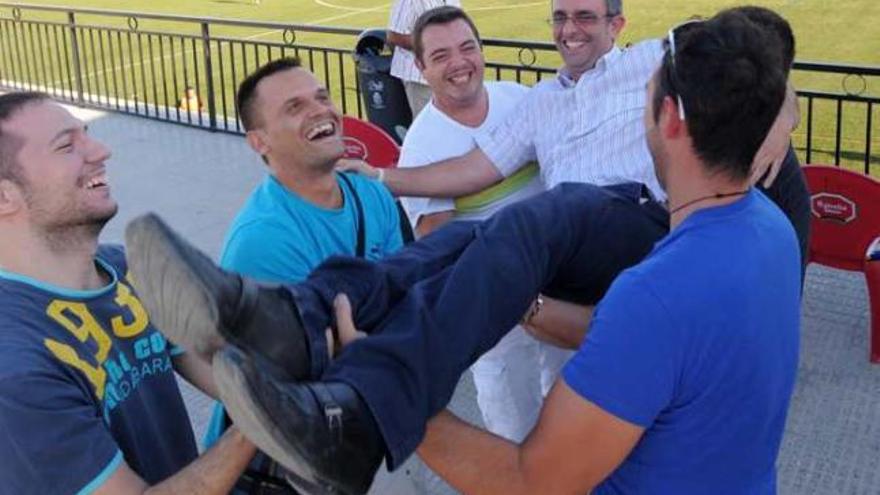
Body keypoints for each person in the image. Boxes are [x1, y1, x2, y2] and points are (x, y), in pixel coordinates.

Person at [123, 7, 803, 494]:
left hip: (607, 283)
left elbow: (532, 479)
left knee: (519, 233)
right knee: (509, 225)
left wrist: (377, 379)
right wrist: (778, 110)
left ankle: (357, 412)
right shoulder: (768, 230)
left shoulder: (654, 297)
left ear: (670, 119)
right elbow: (764, 42)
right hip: (623, 230)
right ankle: (298, 319)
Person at [350, 0, 810, 276]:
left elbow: (759, 41)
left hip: (657, 228)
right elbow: (473, 169)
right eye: (560, 17)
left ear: (616, 25)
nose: (570, 30)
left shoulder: (654, 61)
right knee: (530, 224)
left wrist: (781, 109)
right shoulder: (539, 102)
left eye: (585, 17)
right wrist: (379, 175)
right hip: (587, 248)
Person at [0, 92, 256, 494]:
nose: (102, 150)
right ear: (4, 196)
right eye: (67, 145)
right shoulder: (13, 364)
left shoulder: (124, 268)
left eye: (87, 135)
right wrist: (261, 427)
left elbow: (227, 373)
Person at [202, 57, 404, 493]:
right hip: (277, 457)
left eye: (322, 97)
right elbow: (293, 377)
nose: (320, 110)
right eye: (294, 107)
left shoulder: (372, 195)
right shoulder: (263, 241)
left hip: (341, 431)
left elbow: (400, 294)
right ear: (259, 141)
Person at [398, 6, 555, 442]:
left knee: (571, 422)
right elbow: (441, 248)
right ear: (420, 67)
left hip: (562, 295)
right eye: (442, 55)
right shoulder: (422, 149)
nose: (459, 63)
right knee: (515, 439)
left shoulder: (519, 100)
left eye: (468, 47)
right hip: (501, 320)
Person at [387, 0, 461, 116]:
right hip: (419, 77)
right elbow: (395, 36)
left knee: (449, 123)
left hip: (447, 73)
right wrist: (432, 46)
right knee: (428, 125)